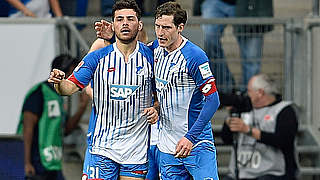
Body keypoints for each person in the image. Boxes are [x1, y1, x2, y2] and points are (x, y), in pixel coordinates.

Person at [48, 0, 159, 179]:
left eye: (130, 19)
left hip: (136, 150)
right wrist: (59, 83)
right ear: (113, 25)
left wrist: (156, 108)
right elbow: (68, 88)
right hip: (102, 148)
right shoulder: (97, 57)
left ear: (139, 25)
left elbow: (162, 96)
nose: (124, 23)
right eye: (119, 19)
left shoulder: (151, 58)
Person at [17, 54, 89, 180]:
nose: (75, 77)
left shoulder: (59, 98)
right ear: (62, 72)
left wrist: (82, 107)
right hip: (37, 161)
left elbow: (65, 129)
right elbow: (27, 128)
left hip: (54, 164)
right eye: (72, 72)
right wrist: (27, 162)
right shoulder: (39, 92)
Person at [220, 74, 299, 180]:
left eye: (249, 91)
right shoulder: (243, 109)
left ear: (260, 93)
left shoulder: (284, 110)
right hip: (240, 173)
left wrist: (248, 130)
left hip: (273, 173)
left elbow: (284, 140)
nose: (246, 95)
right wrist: (228, 123)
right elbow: (226, 140)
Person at [233, 0, 274, 92]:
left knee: (252, 62)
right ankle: (247, 92)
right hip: (242, 14)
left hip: (254, 16)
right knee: (248, 62)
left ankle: (249, 93)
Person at [201, 0, 236, 94]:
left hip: (247, 5)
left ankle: (247, 97)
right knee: (209, 43)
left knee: (250, 56)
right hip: (214, 2)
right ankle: (225, 89)